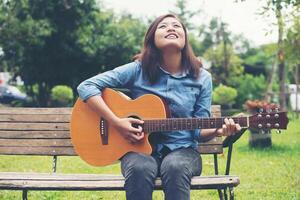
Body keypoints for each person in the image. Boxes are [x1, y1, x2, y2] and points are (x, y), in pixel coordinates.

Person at [77, 14, 241, 200]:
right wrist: (116, 122)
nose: (171, 28)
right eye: (163, 26)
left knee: (175, 166)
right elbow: (86, 86)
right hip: (138, 151)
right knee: (140, 168)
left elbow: (197, 131)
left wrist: (218, 130)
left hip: (184, 151)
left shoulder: (202, 78)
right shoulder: (137, 69)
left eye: (176, 26)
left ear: (185, 38)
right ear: (152, 38)